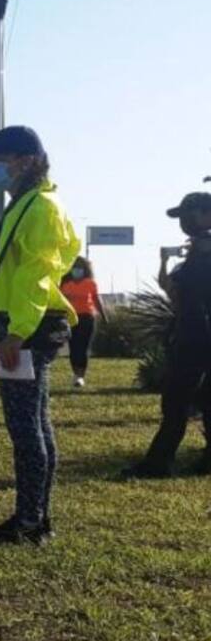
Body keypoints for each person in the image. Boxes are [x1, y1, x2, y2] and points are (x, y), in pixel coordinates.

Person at [0, 126, 80, 543]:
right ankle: (35, 517)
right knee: (34, 422)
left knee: (26, 426)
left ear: (27, 161)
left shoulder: (42, 207)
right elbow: (3, 276)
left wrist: (15, 333)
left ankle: (30, 521)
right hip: (16, 323)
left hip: (29, 326)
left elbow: (36, 275)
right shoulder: (23, 204)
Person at [122, 192, 211, 478]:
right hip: (190, 333)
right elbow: (174, 294)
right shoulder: (196, 252)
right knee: (192, 399)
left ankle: (159, 462)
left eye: (191, 214)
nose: (184, 222)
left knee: (177, 399)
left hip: (198, 337)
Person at [59, 255, 107, 387]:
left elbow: (96, 300)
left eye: (80, 268)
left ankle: (81, 375)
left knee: (83, 347)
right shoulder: (65, 285)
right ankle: (75, 373)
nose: (77, 270)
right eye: (74, 267)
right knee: (74, 347)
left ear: (85, 269)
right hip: (71, 318)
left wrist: (103, 315)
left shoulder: (90, 283)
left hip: (87, 317)